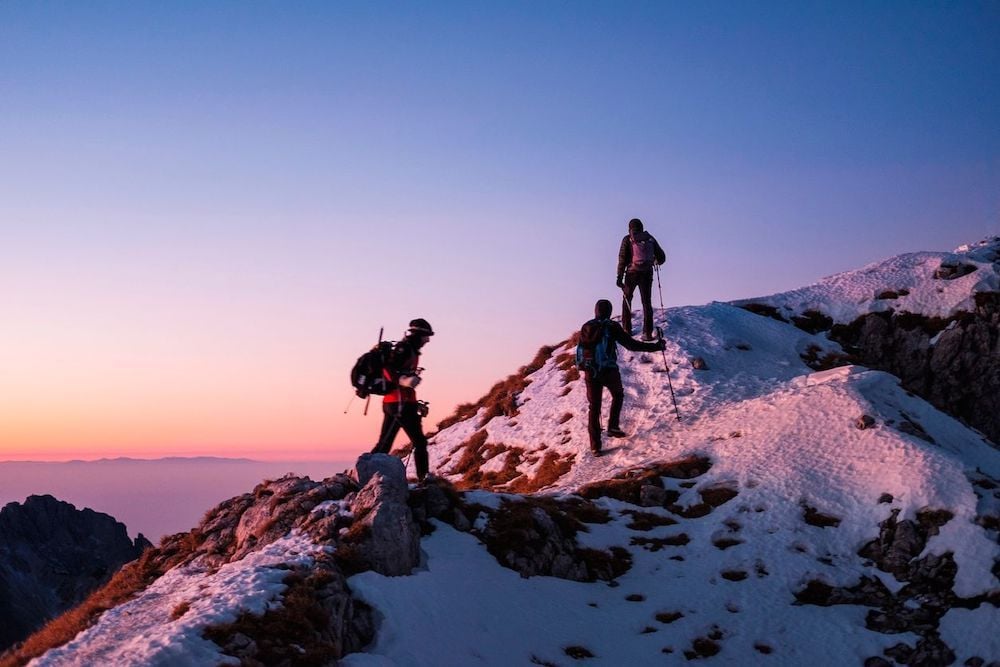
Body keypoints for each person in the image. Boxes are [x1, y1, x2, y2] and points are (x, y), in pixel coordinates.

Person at [578, 299, 666, 455]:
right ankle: (612, 426)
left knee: (594, 407)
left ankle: (595, 446)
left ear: (596, 310)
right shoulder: (611, 327)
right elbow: (631, 345)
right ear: (609, 311)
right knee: (618, 395)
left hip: (590, 372)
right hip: (608, 369)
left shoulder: (586, 326)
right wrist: (656, 347)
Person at [371, 318, 434, 481]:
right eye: (426, 336)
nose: (427, 340)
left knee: (384, 444)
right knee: (419, 442)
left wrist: (415, 402)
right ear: (419, 335)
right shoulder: (404, 348)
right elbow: (388, 368)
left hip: (395, 403)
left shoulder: (408, 348)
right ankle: (424, 478)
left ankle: (366, 474)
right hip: (400, 404)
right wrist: (402, 381)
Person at [616, 218, 666, 340]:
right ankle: (647, 333)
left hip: (631, 273)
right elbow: (662, 258)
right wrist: (654, 261)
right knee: (646, 303)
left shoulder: (627, 239)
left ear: (630, 228)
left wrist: (619, 277)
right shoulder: (650, 238)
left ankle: (626, 330)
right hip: (647, 274)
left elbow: (622, 258)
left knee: (627, 299)